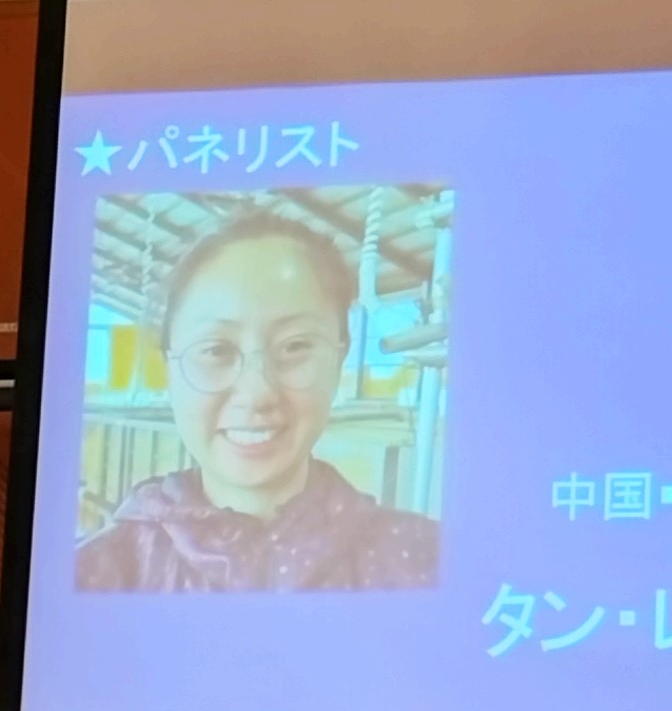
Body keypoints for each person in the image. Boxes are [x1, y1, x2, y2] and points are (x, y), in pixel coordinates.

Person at [76, 211, 439, 592]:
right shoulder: (94, 577)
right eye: (216, 350)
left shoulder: (429, 564)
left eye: (295, 346)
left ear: (339, 359)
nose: (257, 393)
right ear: (169, 367)